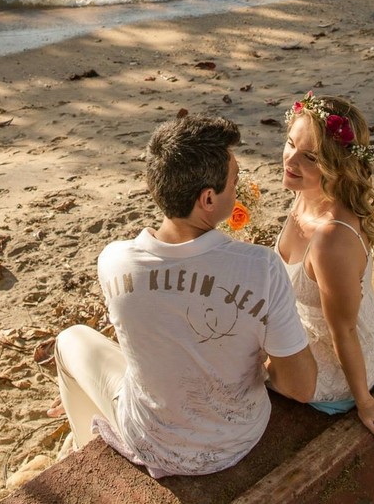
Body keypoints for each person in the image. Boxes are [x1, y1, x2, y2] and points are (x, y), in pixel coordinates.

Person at [53, 114, 317, 477]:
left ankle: (86, 449)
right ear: (208, 199)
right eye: (234, 181)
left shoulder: (113, 261)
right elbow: (301, 387)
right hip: (239, 437)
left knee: (70, 339)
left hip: (153, 440)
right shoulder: (261, 267)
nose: (238, 189)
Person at [275, 92, 374, 448]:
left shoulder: (331, 240)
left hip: (341, 365)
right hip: (312, 329)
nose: (291, 160)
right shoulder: (307, 193)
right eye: (291, 144)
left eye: (310, 157)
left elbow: (344, 329)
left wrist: (366, 402)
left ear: (335, 167)